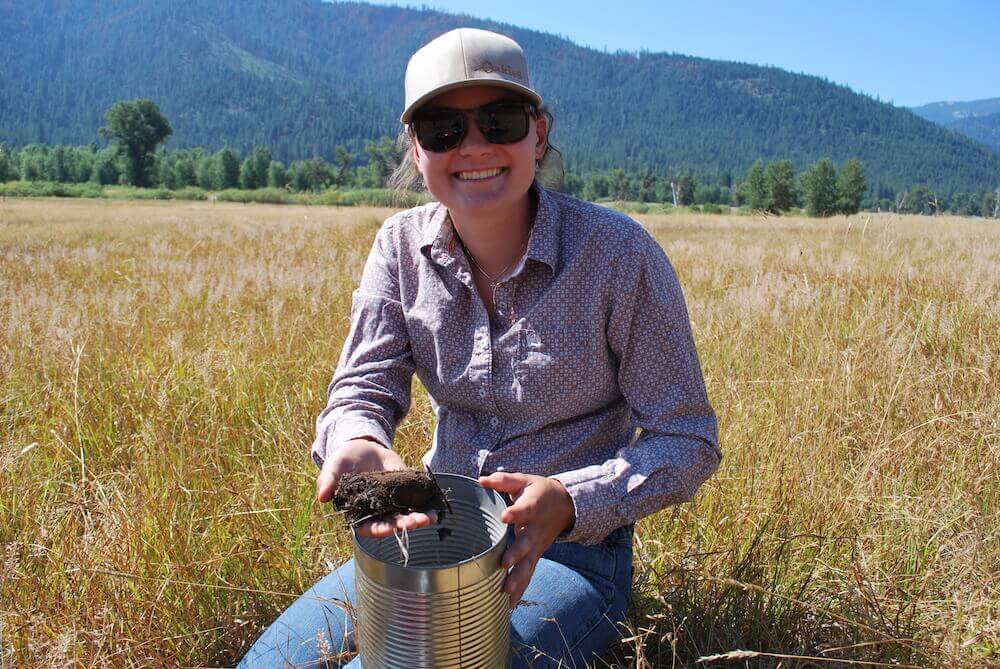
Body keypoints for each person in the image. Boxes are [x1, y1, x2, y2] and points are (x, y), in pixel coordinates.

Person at [238, 27, 719, 668]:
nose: (473, 147)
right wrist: (356, 438)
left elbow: (687, 439)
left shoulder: (619, 256)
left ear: (538, 135)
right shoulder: (399, 247)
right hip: (432, 537)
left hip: (568, 555)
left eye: (499, 121)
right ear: (416, 149)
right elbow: (363, 384)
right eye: (443, 129)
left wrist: (573, 501)